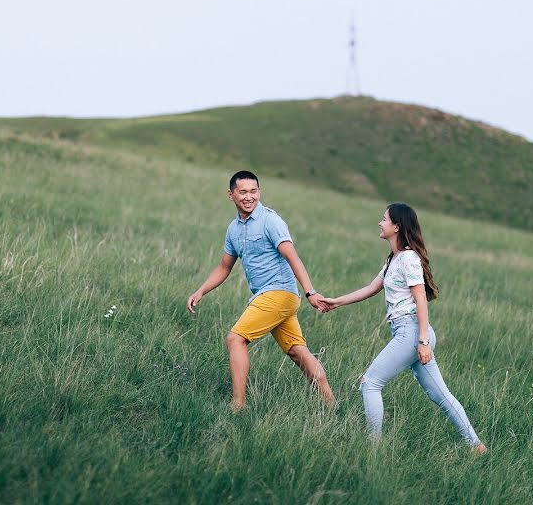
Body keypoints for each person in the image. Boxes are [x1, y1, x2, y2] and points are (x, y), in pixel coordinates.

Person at [319, 203, 487, 454]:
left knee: (370, 383)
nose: (380, 223)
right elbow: (370, 289)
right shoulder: (393, 259)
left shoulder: (408, 258)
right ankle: (476, 446)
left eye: (384, 219)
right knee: (440, 395)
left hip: (412, 332)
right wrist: (335, 302)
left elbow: (420, 299)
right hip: (409, 333)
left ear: (396, 226)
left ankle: (372, 448)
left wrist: (422, 342)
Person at [187, 171, 336, 411]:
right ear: (231, 195)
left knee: (235, 339)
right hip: (272, 298)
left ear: (260, 192)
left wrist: (310, 293)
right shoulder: (233, 230)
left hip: (279, 294)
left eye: (253, 191)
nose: (249, 197)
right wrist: (200, 291)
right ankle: (331, 405)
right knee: (298, 352)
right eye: (243, 192)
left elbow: (292, 257)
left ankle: (238, 405)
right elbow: (224, 267)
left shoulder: (270, 220)